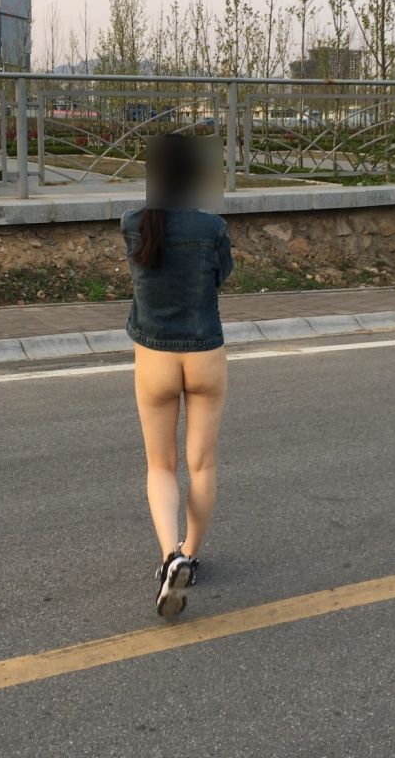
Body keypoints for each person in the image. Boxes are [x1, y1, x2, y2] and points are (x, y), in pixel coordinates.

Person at [120, 132, 234, 619]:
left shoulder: (133, 224)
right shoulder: (212, 228)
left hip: (154, 356)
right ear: (193, 175)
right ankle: (192, 552)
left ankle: (171, 556)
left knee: (160, 466)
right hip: (205, 351)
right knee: (201, 466)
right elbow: (221, 276)